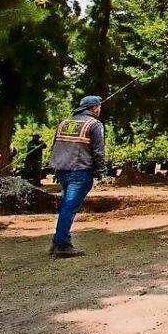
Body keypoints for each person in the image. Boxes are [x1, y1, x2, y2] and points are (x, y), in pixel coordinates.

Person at [49, 95, 107, 258]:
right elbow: (98, 151)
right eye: (99, 106)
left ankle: (57, 240)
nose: (100, 109)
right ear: (94, 108)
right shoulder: (94, 124)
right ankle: (62, 244)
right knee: (69, 207)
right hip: (80, 170)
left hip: (62, 170)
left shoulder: (64, 123)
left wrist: (55, 167)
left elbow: (55, 146)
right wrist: (101, 170)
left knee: (66, 205)